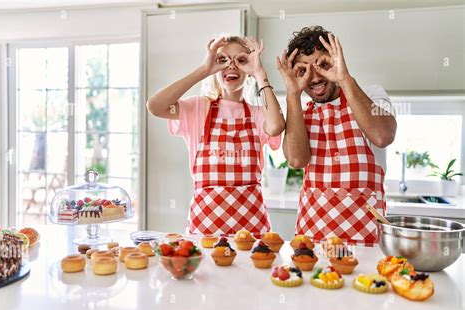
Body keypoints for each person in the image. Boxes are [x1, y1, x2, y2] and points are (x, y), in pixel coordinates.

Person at [147, 36, 285, 238]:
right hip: (205, 233)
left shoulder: (258, 113)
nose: (232, 66)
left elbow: (276, 126)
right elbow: (155, 106)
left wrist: (259, 73)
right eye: (223, 60)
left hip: (252, 232)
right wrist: (204, 69)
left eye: (240, 60)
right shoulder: (198, 109)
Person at [278, 26, 397, 245]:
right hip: (311, 241)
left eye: (323, 65)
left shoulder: (370, 95)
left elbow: (383, 135)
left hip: (366, 241)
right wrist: (293, 93)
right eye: (303, 71)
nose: (314, 77)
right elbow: (296, 160)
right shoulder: (300, 113)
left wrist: (343, 78)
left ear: (336, 60)